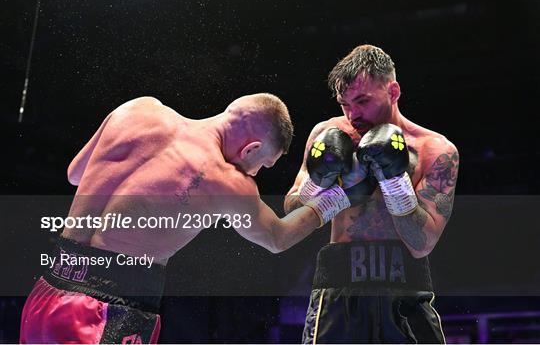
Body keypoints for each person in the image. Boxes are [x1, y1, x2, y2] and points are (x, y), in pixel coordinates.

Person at [19, 93, 351, 344]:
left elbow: (75, 173)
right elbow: (277, 238)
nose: (256, 172)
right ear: (251, 148)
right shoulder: (226, 181)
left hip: (49, 289)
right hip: (104, 312)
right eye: (263, 163)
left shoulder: (139, 109)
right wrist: (340, 196)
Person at [284, 45, 459, 343]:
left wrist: (393, 180)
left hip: (405, 290)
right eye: (344, 103)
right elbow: (293, 208)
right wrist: (320, 179)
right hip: (339, 290)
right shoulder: (328, 134)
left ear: (393, 91)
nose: (352, 114)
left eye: (362, 101)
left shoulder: (436, 151)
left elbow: (422, 243)